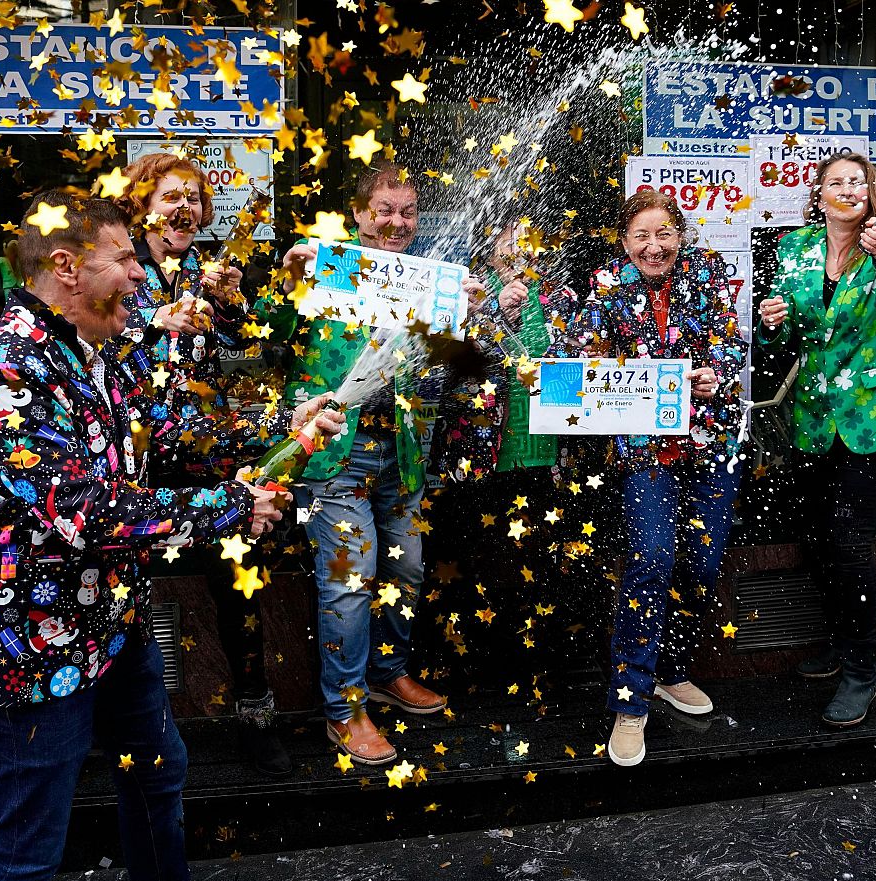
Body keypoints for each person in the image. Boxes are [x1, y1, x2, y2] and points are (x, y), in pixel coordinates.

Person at [0, 192, 338, 881]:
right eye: (125, 258)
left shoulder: (104, 350)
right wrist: (232, 507)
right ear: (65, 267)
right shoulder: (4, 365)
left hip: (115, 626)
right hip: (25, 649)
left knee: (157, 775)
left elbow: (179, 430)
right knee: (26, 850)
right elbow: (84, 513)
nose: (139, 274)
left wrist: (287, 422)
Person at [272, 162, 482, 766]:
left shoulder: (428, 280)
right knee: (349, 580)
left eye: (408, 212)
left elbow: (451, 363)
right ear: (360, 213)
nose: (396, 222)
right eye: (384, 210)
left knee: (408, 570)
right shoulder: (327, 268)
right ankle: (345, 709)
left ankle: (388, 673)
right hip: (333, 452)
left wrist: (460, 314)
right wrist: (286, 281)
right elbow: (271, 326)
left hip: (404, 452)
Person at [112, 152, 292, 777]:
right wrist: (152, 324)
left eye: (193, 197)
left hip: (204, 457)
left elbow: (248, 346)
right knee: (119, 592)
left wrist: (237, 303)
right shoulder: (120, 272)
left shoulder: (205, 271)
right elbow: (96, 347)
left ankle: (255, 716)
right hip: (130, 458)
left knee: (240, 584)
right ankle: (124, 727)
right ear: (142, 203)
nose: (184, 208)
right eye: (171, 196)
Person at [566, 189, 745, 767]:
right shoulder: (605, 285)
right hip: (645, 454)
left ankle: (672, 671)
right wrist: (644, 377)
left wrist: (714, 372)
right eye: (641, 236)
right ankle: (632, 699)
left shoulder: (708, 273)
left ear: (680, 236)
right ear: (624, 242)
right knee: (651, 560)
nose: (654, 246)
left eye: (664, 234)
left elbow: (730, 341)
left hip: (709, 444)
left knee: (703, 564)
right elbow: (579, 359)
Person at [755, 151, 876, 728]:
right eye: (836, 182)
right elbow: (792, 343)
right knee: (817, 534)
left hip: (874, 420)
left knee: (849, 538)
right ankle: (838, 640)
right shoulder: (795, 249)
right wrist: (772, 322)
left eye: (857, 181)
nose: (847, 188)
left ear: (870, 191)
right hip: (814, 418)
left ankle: (862, 665)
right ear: (820, 193)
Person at [429, 215, 579, 677]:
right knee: (481, 559)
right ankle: (477, 665)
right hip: (482, 457)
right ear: (492, 241)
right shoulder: (468, 294)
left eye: (533, 241)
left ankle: (536, 664)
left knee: (542, 562)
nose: (524, 252)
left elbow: (579, 360)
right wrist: (496, 310)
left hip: (547, 453)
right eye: (513, 242)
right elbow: (447, 369)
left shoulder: (561, 296)